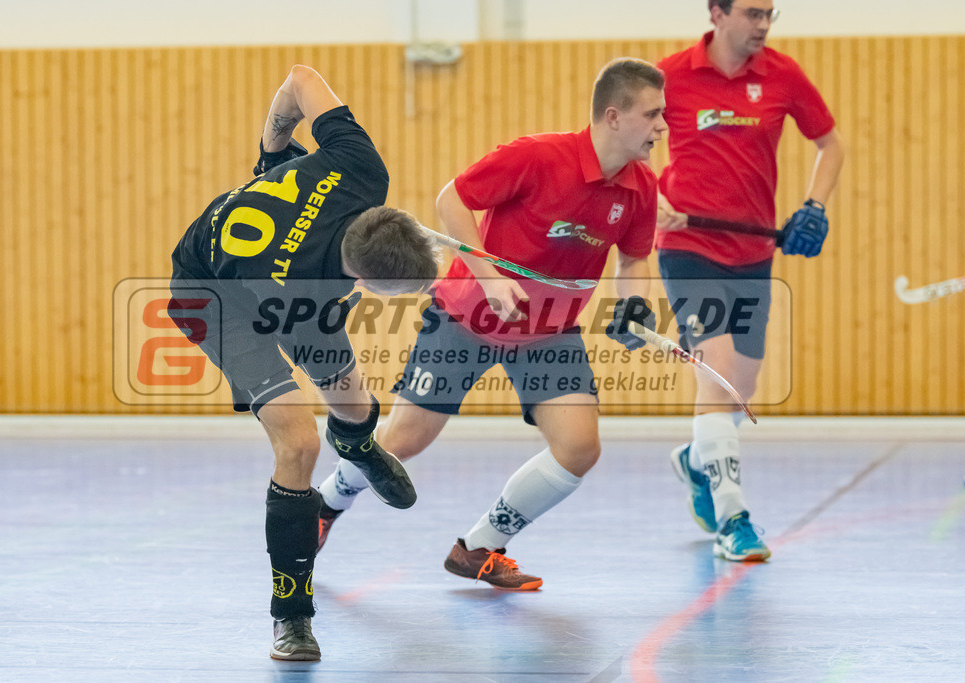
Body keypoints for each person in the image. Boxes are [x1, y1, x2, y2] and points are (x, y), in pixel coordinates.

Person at [316, 58, 667, 589]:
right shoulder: (537, 157)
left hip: (549, 331)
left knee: (578, 448)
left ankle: (479, 547)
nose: (663, 127)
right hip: (465, 314)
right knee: (403, 441)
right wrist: (489, 275)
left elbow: (633, 260)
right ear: (614, 117)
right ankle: (323, 505)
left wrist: (634, 305)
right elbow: (450, 199)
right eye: (653, 114)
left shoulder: (641, 188)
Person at [168, 65, 441, 660]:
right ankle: (291, 615)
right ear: (364, 279)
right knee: (298, 442)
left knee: (354, 404)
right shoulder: (292, 289)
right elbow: (298, 331)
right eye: (402, 292)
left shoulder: (360, 168)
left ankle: (362, 446)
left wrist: (272, 148)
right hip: (212, 297)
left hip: (289, 274)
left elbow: (299, 79)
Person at [655, 1, 846, 561]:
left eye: (770, 14)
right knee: (717, 384)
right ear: (716, 12)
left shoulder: (782, 75)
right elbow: (620, 144)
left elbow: (830, 143)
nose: (762, 25)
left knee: (743, 389)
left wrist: (815, 205)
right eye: (751, 13)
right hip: (688, 249)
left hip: (755, 250)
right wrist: (654, 196)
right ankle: (733, 520)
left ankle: (696, 460)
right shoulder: (669, 75)